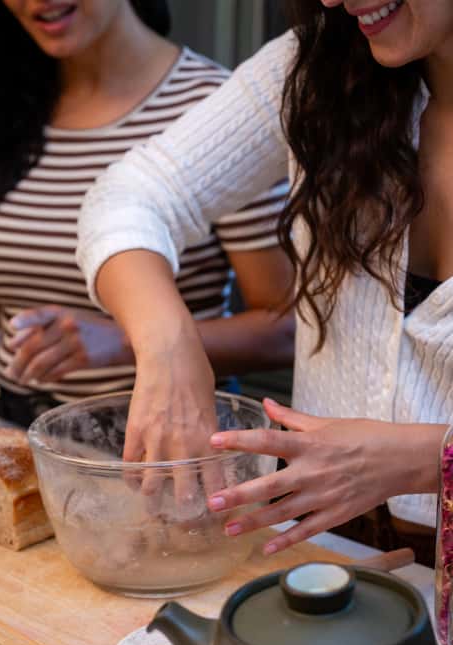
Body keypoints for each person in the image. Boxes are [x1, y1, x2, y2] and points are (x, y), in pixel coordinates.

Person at [75, 0, 453, 566]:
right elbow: (132, 194)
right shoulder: (318, 67)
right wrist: (169, 343)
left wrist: (424, 459)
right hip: (326, 548)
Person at [0, 0, 294, 432]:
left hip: (156, 440)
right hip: (14, 432)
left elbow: (284, 329)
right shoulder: (2, 108)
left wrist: (124, 340)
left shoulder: (220, 112)